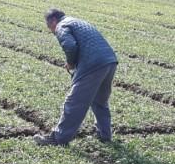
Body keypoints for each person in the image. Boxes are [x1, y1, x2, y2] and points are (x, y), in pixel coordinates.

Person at [35, 9, 118, 147]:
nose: (51, 31)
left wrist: (71, 63)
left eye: (49, 27)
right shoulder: (77, 22)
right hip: (109, 61)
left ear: (53, 20)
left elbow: (70, 45)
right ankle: (105, 135)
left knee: (74, 102)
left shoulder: (62, 25)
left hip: (93, 64)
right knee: (99, 101)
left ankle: (58, 138)